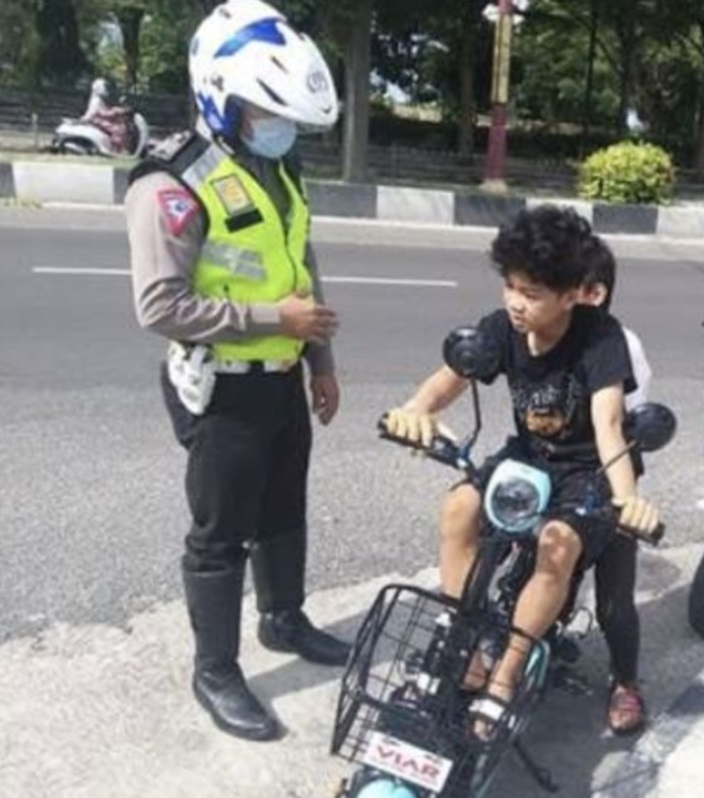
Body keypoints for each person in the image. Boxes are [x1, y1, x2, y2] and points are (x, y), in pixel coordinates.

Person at [125, 0, 350, 742]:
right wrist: (271, 323)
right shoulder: (170, 182)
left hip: (283, 376)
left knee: (285, 510)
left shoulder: (280, 171)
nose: (276, 125)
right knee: (221, 532)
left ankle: (284, 620)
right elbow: (160, 305)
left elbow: (301, 264)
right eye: (262, 110)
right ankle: (214, 670)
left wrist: (318, 357)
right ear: (221, 95)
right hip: (219, 385)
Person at [382, 205, 662, 739]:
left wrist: (626, 499)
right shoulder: (501, 329)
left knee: (562, 548)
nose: (514, 302)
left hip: (586, 472)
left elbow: (607, 423)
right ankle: (465, 645)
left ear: (572, 294)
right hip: (528, 458)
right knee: (459, 504)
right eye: (509, 286)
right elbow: (451, 377)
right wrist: (416, 409)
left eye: (531, 294)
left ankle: (506, 676)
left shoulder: (601, 337)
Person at [576, 234, 651, 734]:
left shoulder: (622, 348)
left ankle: (626, 679)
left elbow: (621, 429)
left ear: (592, 293)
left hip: (608, 482)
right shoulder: (539, 334)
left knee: (613, 602)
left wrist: (624, 500)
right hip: (551, 479)